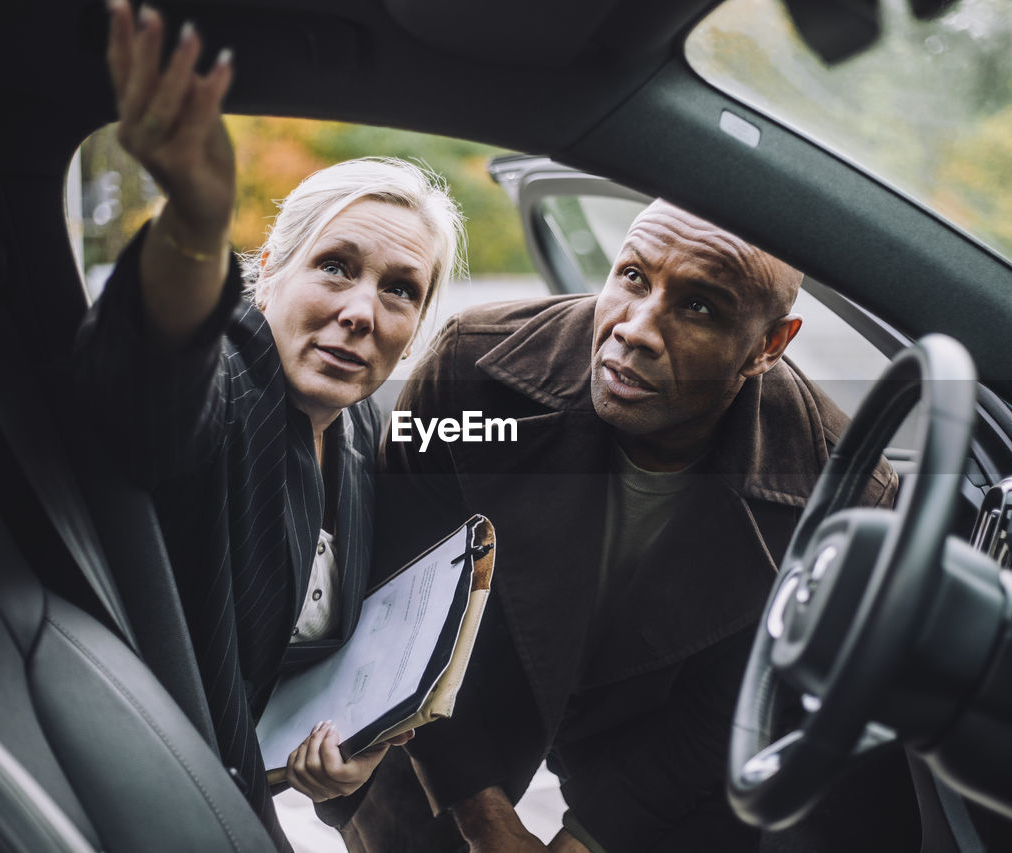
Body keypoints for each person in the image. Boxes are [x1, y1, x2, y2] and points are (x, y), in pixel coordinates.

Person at [346, 200, 918, 852]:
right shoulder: (472, 372)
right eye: (634, 278)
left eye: (699, 307)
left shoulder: (838, 494)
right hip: (453, 693)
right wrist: (486, 821)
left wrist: (584, 841)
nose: (636, 328)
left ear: (767, 346)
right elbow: (399, 612)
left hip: (660, 723)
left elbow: (724, 711)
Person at [74, 3, 465, 850]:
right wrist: (193, 224)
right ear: (269, 273)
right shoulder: (244, 369)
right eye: (335, 265)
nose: (362, 310)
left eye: (401, 288)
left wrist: (338, 757)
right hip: (138, 778)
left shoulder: (359, 428)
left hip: (239, 775)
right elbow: (154, 397)